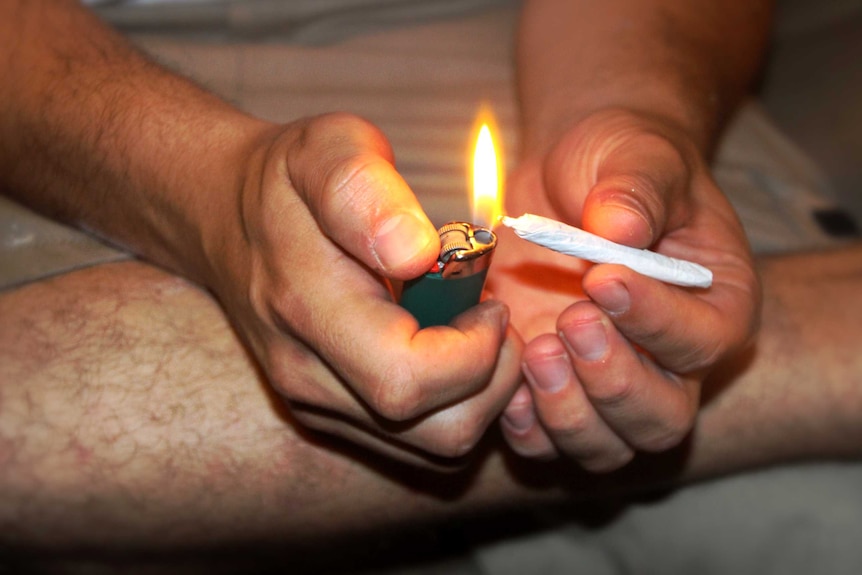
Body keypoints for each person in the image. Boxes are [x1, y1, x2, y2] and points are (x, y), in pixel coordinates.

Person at [1, 0, 860, 569]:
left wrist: (631, 108)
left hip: (564, 68)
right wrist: (208, 188)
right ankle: (812, 341)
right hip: (82, 123)